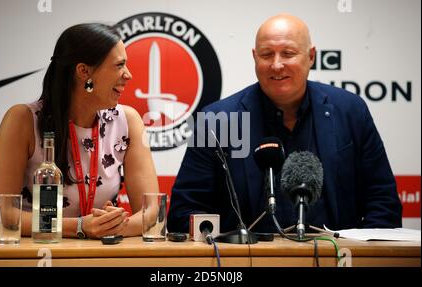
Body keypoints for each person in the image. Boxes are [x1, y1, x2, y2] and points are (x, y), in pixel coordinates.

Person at [167, 14, 402, 234]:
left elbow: (383, 204)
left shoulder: (350, 111)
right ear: (254, 57)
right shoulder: (216, 120)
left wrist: (360, 256)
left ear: (311, 56)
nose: (277, 65)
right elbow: (184, 212)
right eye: (267, 54)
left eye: (288, 53)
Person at [0, 23, 159, 239]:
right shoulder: (22, 120)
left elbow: (152, 213)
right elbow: (0, 215)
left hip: (101, 256)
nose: (128, 75)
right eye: (119, 65)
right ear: (83, 71)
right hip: (35, 255)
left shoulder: (129, 121)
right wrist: (79, 227)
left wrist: (112, 225)